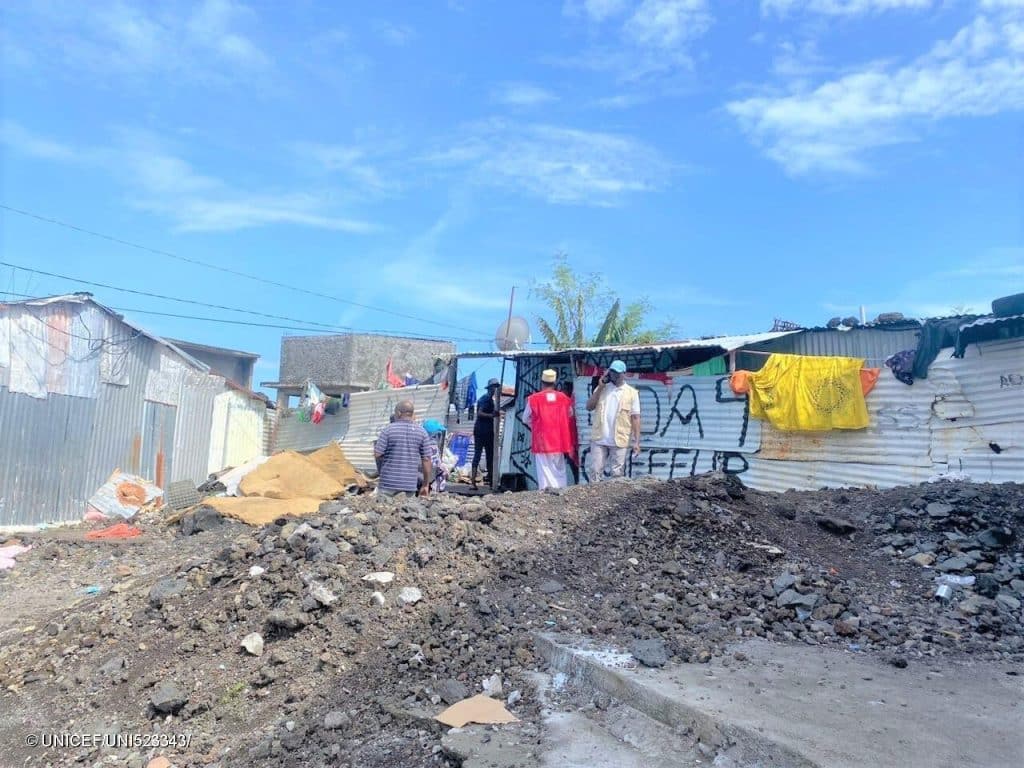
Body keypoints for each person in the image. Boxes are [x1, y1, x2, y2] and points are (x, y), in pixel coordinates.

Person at [585, 359, 641, 480]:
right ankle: (595, 498)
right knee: (595, 471)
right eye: (612, 372)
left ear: (624, 374)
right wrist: (599, 387)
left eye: (617, 372)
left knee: (617, 475)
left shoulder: (632, 393)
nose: (614, 375)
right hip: (600, 438)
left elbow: (635, 418)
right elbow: (589, 407)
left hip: (620, 439)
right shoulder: (602, 388)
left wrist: (636, 442)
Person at [522, 369, 575, 490]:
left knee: (544, 468)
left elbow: (525, 419)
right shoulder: (564, 398)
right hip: (560, 439)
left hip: (542, 440)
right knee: (559, 467)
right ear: (555, 382)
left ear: (542, 382)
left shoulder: (533, 399)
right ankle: (560, 490)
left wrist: (536, 425)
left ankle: (546, 495)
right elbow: (570, 414)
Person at [374, 400, 433, 497]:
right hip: (409, 485)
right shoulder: (422, 432)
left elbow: (378, 454)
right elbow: (427, 460)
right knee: (407, 511)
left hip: (388, 483)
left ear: (398, 413)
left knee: (384, 510)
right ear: (412, 414)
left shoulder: (388, 430)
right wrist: (425, 484)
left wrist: (384, 468)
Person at [471, 378, 500, 489]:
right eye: (495, 387)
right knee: (483, 455)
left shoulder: (489, 399)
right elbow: (479, 413)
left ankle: (486, 481)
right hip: (483, 431)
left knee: (486, 455)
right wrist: (492, 415)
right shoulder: (486, 399)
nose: (496, 389)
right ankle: (474, 482)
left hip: (484, 430)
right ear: (491, 388)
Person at [422, 419, 455, 493]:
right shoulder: (434, 448)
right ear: (436, 435)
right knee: (443, 470)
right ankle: (436, 489)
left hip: (419, 475)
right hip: (429, 477)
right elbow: (436, 464)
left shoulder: (421, 445)